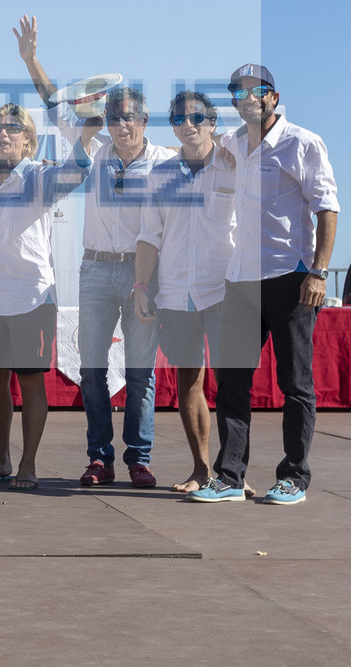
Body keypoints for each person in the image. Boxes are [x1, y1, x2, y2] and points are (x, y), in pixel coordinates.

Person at [15, 15, 176, 488]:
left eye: (129, 117)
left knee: (141, 373)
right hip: (96, 272)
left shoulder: (165, 161)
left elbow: (211, 155)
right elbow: (53, 101)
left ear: (144, 121)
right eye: (113, 117)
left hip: (144, 275)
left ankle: (138, 459)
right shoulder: (95, 146)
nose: (120, 124)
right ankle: (99, 457)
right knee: (91, 371)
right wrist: (31, 59)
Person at [191, 64, 338, 505]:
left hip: (291, 280)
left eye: (255, 91)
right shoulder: (234, 142)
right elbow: (193, 145)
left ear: (272, 97)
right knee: (232, 381)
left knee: (296, 383)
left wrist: (318, 271)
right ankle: (230, 477)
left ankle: (294, 477)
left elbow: (327, 209)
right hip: (239, 281)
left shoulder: (303, 143)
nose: (246, 97)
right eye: (238, 91)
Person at [0, 103, 96, 491]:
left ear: (27, 138)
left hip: (30, 297)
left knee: (30, 383)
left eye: (12, 129)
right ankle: (1, 459)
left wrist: (87, 135)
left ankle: (28, 462)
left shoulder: (40, 177)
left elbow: (75, 172)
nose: (3, 134)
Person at [133, 91, 237, 495]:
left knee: (232, 384)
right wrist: (141, 287)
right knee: (188, 383)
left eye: (196, 118)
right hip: (176, 294)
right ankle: (202, 470)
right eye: (178, 119)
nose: (187, 125)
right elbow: (148, 237)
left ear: (212, 122)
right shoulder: (158, 176)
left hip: (225, 290)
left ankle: (232, 475)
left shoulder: (235, 166)